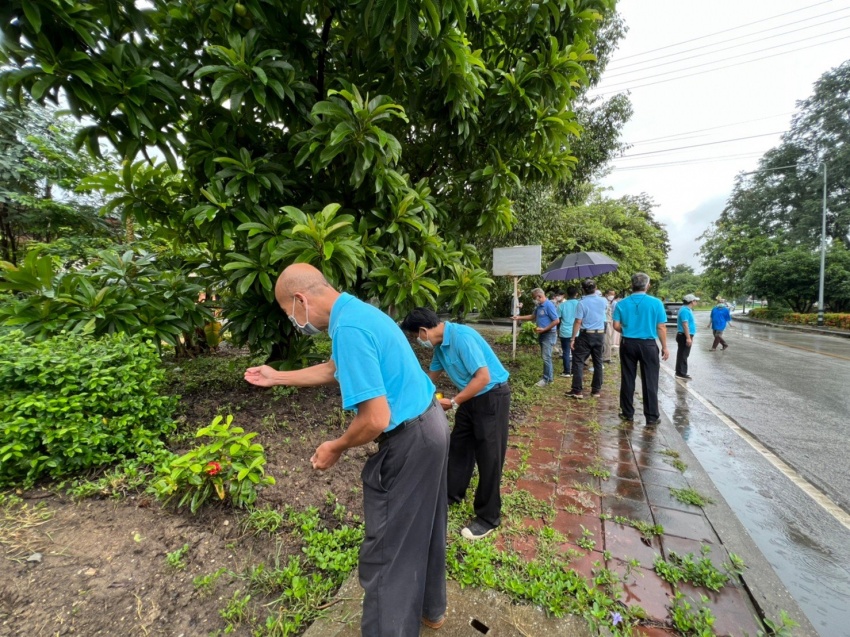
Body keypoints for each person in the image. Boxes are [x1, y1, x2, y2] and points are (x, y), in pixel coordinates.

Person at [244, 264, 450, 635]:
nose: (294, 322)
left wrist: (335, 447)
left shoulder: (350, 329)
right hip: (430, 424)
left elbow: (375, 419)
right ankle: (431, 610)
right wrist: (277, 377)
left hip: (410, 440)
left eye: (289, 313)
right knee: (427, 526)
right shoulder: (356, 312)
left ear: (301, 300)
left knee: (387, 554)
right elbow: (333, 368)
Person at [400, 308, 511, 541]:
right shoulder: (440, 347)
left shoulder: (462, 338)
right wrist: (412, 397)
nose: (417, 341)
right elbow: (430, 378)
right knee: (459, 447)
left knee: (489, 456)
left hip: (491, 396)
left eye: (415, 336)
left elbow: (483, 377)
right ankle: (451, 495)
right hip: (470, 397)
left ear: (423, 331)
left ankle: (488, 517)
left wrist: (453, 402)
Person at [612, 273, 669, 426]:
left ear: (632, 285)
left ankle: (627, 413)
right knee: (650, 379)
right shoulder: (656, 303)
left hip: (628, 343)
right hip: (648, 345)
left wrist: (627, 330)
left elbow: (616, 325)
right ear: (647, 286)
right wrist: (664, 347)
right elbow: (661, 327)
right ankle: (651, 417)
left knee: (628, 377)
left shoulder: (622, 303)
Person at [566, 278, 607, 399]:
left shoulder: (581, 303)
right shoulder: (603, 301)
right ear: (596, 288)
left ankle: (577, 390)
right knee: (598, 362)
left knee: (578, 361)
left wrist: (573, 338)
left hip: (586, 335)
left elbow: (578, 321)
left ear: (583, 290)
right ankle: (596, 390)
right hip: (600, 334)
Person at [512, 287, 559, 387]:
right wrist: (518, 317)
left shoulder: (548, 305)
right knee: (546, 356)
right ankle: (549, 378)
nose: (534, 300)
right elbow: (532, 316)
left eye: (534, 298)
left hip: (549, 334)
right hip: (543, 334)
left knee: (546, 357)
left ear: (539, 296)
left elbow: (556, 321)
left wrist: (544, 329)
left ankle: (546, 379)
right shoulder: (539, 306)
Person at [675, 294, 699, 379]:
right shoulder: (685, 310)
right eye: (695, 300)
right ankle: (681, 373)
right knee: (683, 355)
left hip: (685, 335)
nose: (696, 302)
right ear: (691, 301)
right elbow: (685, 325)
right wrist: (688, 338)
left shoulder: (687, 309)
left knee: (683, 354)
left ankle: (680, 372)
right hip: (684, 335)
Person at [557, 286, 579, 378]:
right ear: (576, 294)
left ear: (566, 294)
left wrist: (558, 331)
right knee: (576, 352)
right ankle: (574, 371)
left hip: (564, 331)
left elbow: (558, 320)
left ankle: (566, 372)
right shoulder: (580, 304)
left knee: (566, 352)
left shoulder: (562, 305)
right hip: (577, 332)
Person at [603, 288, 618, 363]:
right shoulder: (603, 302)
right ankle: (605, 357)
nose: (612, 296)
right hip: (604, 322)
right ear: (606, 295)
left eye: (613, 294)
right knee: (606, 340)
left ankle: (606, 357)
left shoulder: (614, 303)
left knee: (607, 340)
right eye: (610, 294)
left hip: (609, 322)